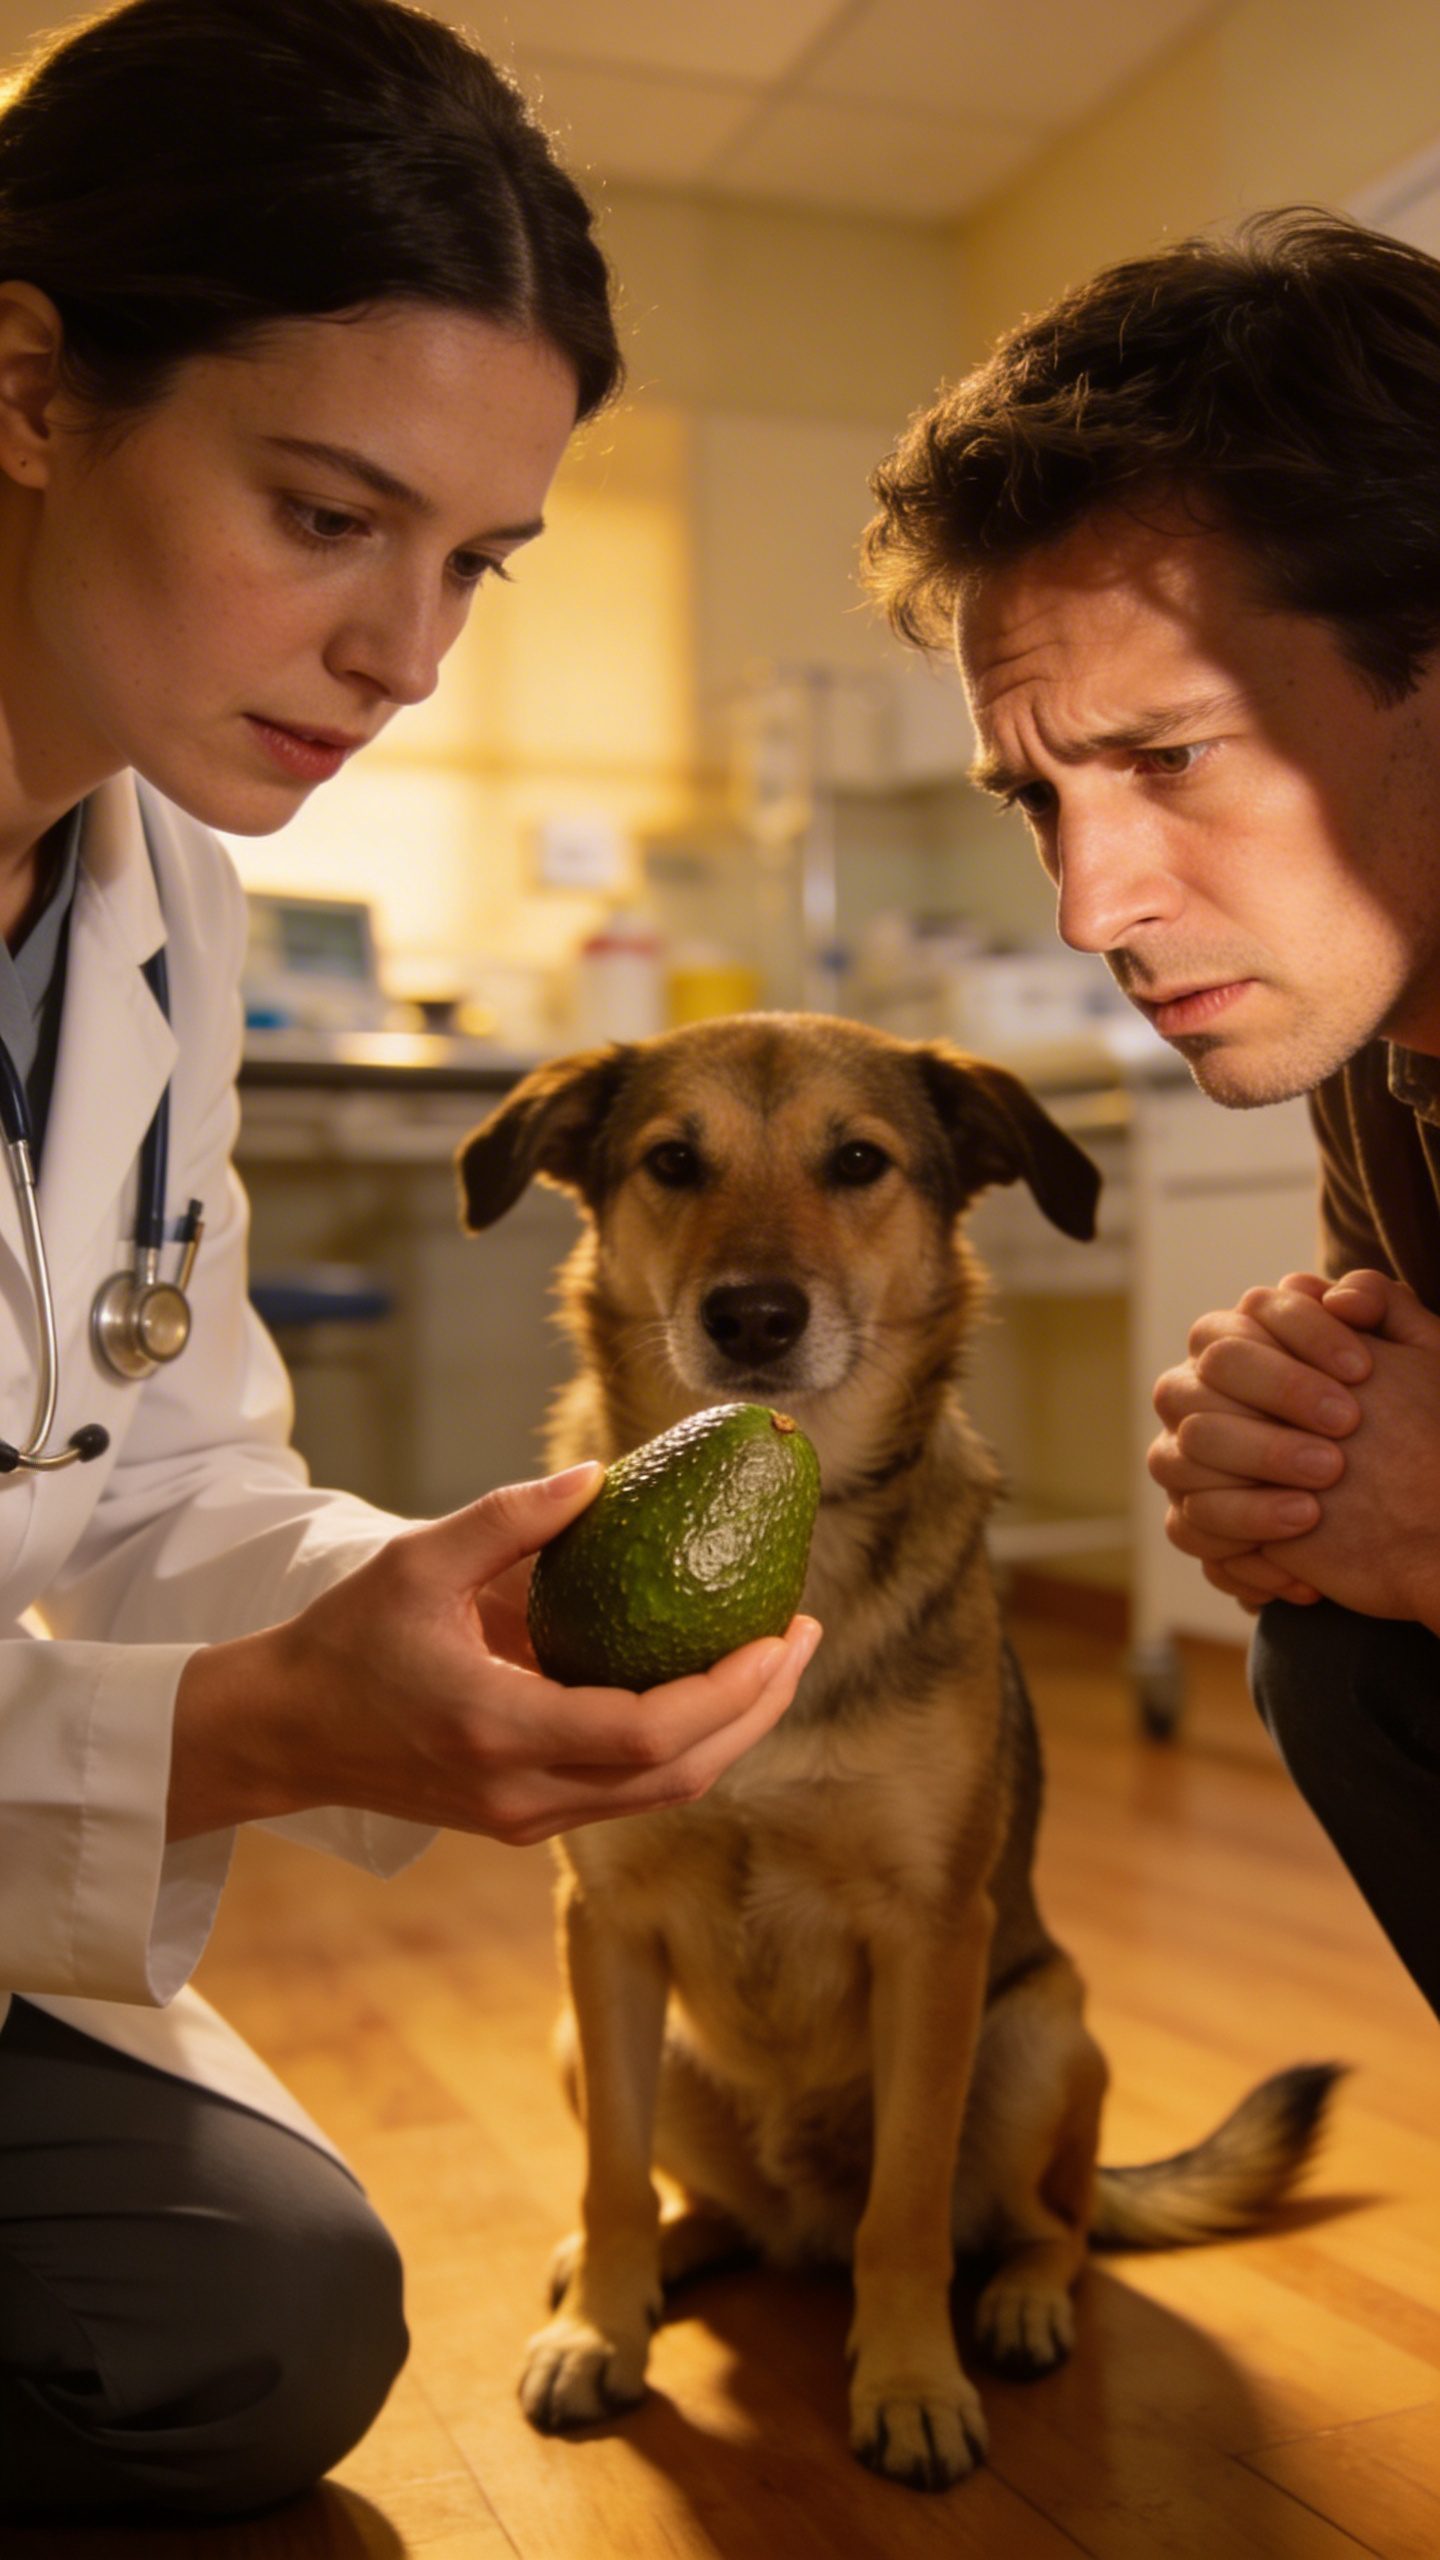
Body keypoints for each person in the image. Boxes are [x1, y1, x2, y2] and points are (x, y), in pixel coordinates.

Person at [0, 0, 820, 2522]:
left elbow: (159, 1459)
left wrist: (432, 1610)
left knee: (258, 2320)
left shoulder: (165, 895)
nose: (412, 654)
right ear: (28, 383)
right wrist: (246, 1731)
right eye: (332, 515)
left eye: (477, 560)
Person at [861, 206, 1440, 2026]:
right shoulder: (1379, 1034)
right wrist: (1309, 1467)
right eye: (1039, 799)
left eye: (1169, 756)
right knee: (1341, 1660)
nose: (1088, 905)